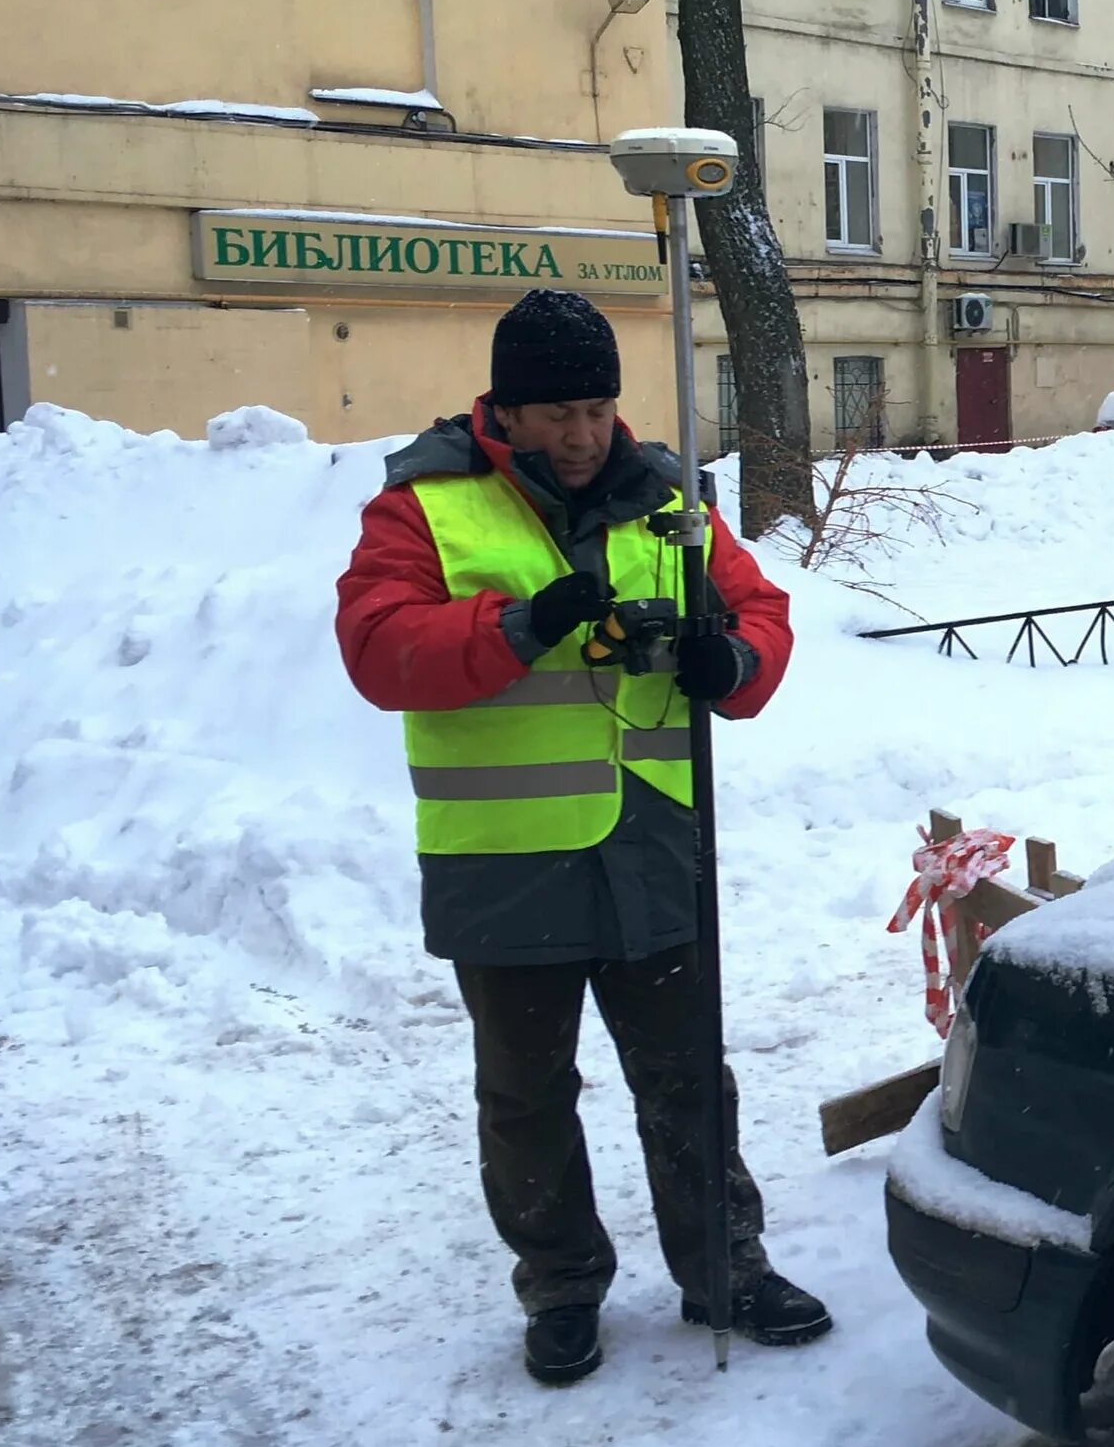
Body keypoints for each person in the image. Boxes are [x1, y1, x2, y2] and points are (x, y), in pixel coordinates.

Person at [334, 287, 829, 1386]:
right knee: (526, 1096)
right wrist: (523, 623)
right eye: (558, 412)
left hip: (649, 847)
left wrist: (730, 662)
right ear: (504, 412)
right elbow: (378, 648)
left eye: (599, 407)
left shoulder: (667, 498)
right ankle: (559, 1288)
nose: (583, 434)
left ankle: (725, 1270)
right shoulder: (426, 506)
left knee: (689, 1074)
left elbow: (761, 612)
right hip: (503, 863)